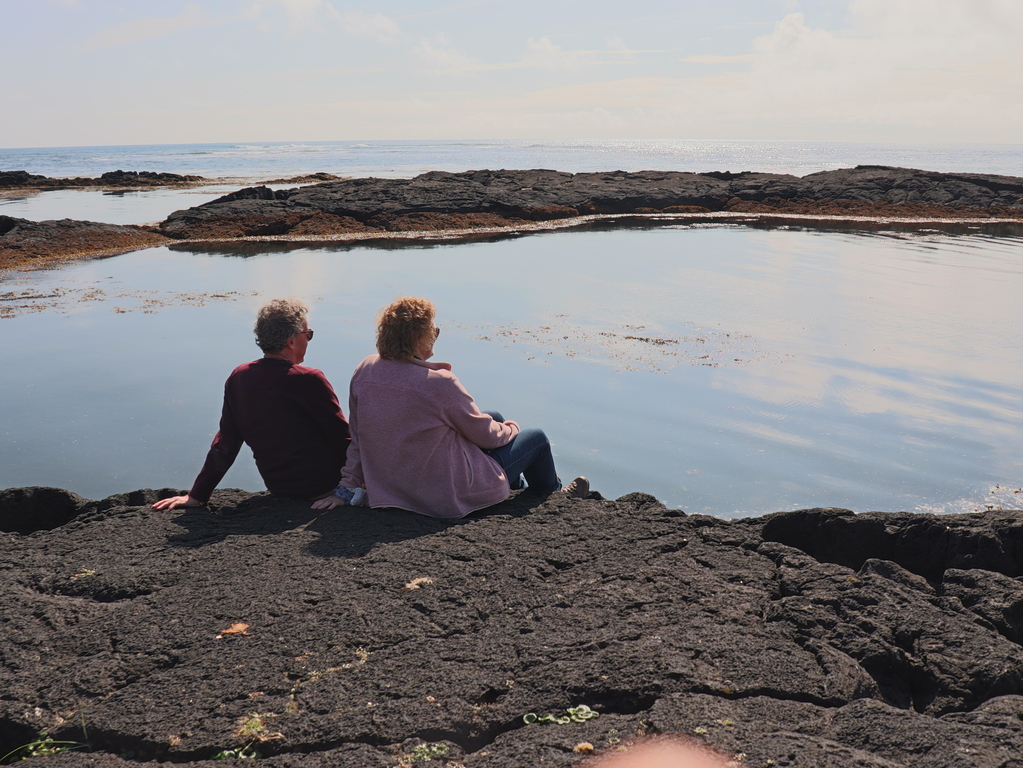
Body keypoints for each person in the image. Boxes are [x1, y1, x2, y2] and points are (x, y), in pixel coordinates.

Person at [313, 296, 588, 519]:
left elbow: (358, 438)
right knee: (536, 438)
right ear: (418, 338)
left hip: (394, 487)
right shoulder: (438, 383)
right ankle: (556, 498)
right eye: (433, 329)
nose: (435, 334)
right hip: (442, 495)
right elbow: (489, 437)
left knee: (492, 416)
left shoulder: (365, 370)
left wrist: (346, 488)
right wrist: (512, 429)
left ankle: (513, 489)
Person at [152, 298, 350, 510]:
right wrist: (354, 487)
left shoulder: (240, 377)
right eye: (308, 334)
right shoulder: (309, 378)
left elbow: (226, 442)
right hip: (323, 488)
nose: (309, 340)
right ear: (291, 342)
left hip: (281, 488)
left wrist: (197, 494)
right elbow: (341, 438)